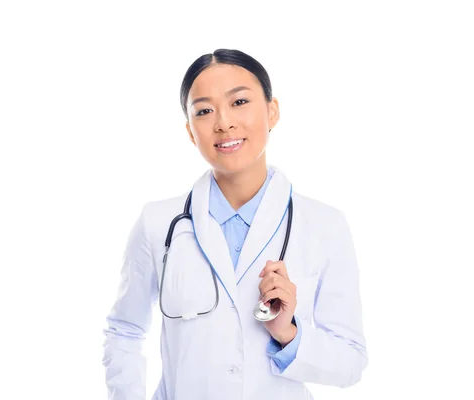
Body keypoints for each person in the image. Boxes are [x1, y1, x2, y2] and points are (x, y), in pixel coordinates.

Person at [102, 48, 367, 400]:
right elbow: (125, 331)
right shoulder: (158, 223)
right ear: (190, 131)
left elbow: (351, 362)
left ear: (272, 111)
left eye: (239, 102)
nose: (223, 122)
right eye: (204, 110)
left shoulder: (325, 226)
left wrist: (287, 332)